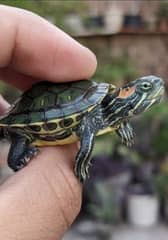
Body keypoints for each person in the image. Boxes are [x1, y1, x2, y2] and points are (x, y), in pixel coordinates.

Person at [0, 5, 97, 239]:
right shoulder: (95, 108)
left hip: (41, 120)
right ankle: (17, 156)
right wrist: (80, 163)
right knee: (21, 140)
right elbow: (86, 134)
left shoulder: (100, 108)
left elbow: (89, 129)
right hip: (29, 122)